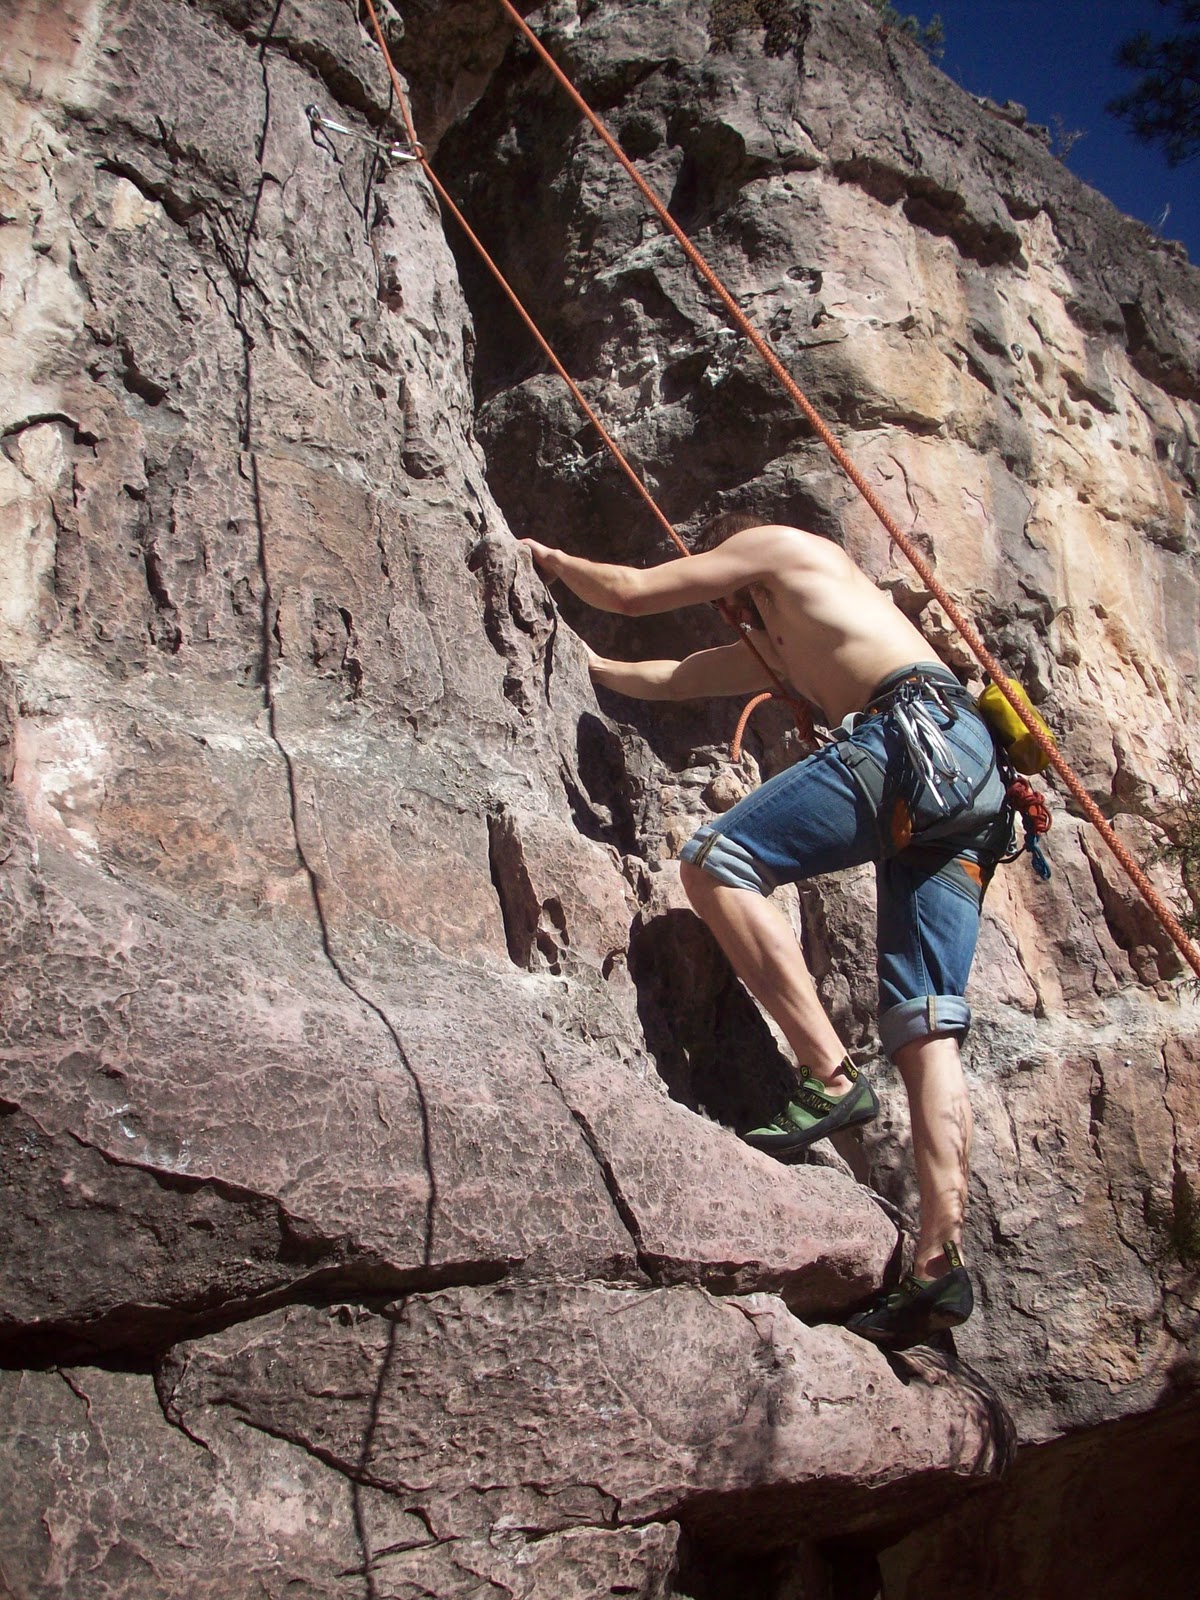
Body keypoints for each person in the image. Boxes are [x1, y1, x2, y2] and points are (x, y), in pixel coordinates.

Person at [519, 514, 1011, 1350]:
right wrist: (583, 663)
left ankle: (826, 1075)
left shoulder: (784, 548)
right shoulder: (782, 641)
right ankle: (938, 1261)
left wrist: (549, 561)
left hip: (915, 734)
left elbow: (634, 593)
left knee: (715, 860)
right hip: (971, 785)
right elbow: (673, 676)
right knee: (928, 1026)